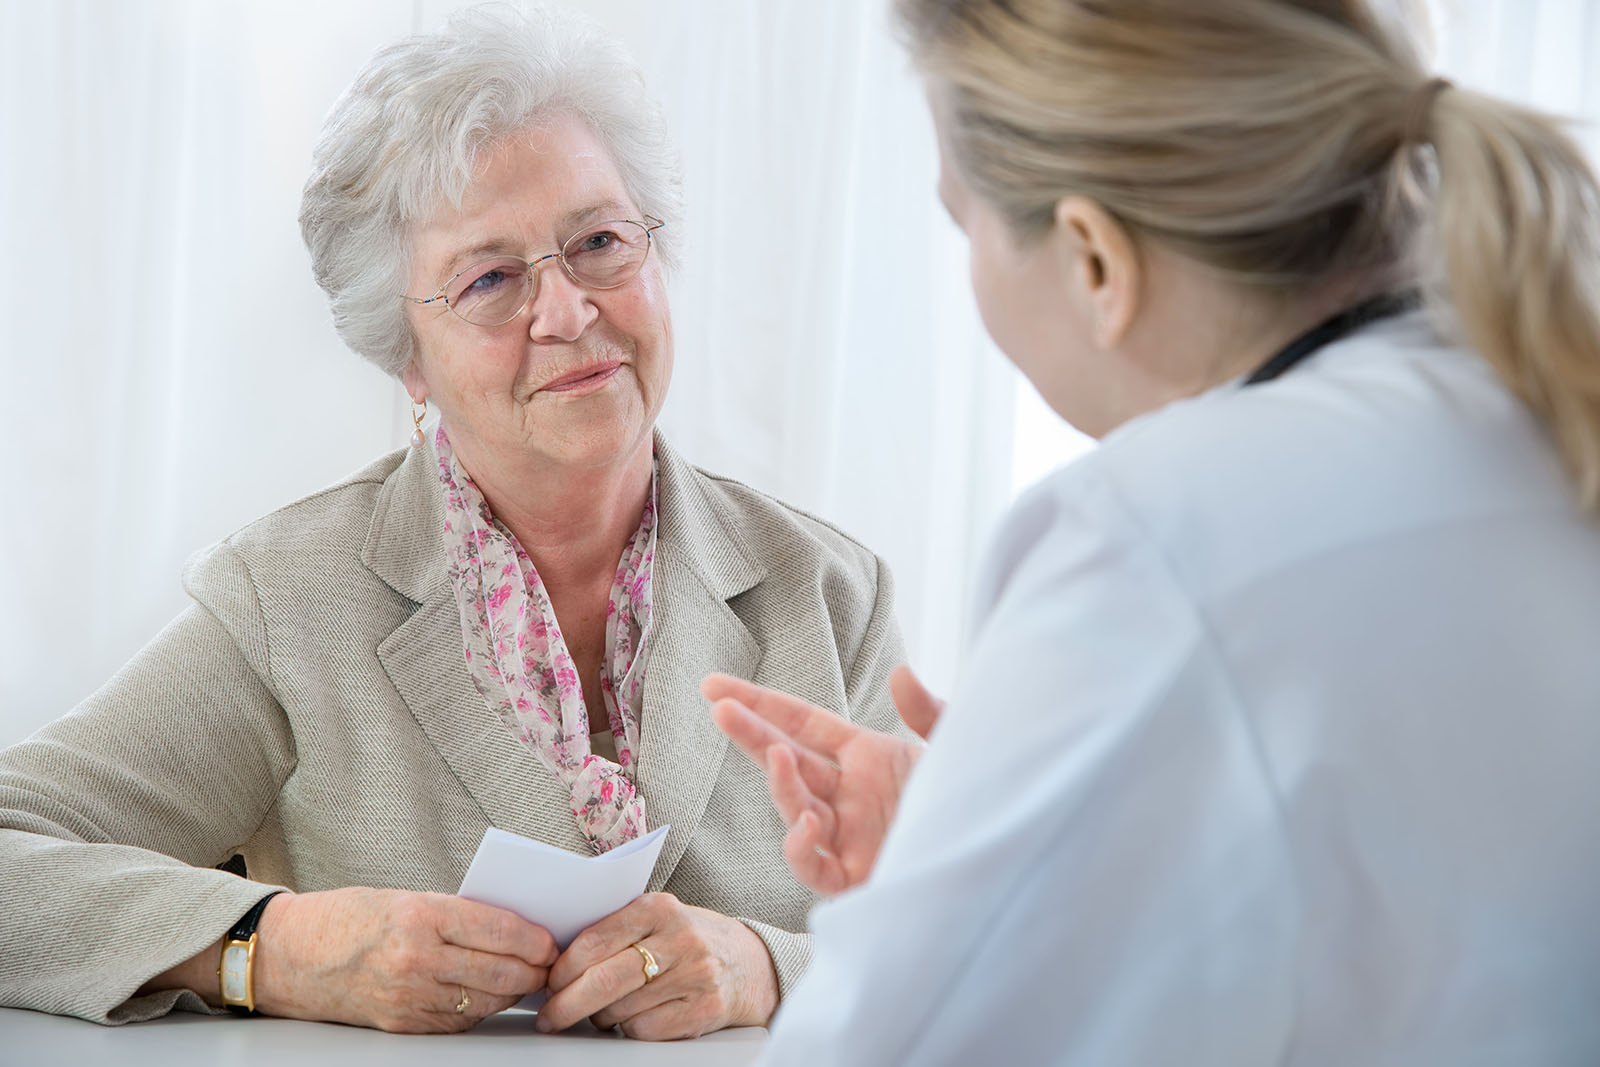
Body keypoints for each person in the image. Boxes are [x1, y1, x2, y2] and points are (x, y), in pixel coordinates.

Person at [707, 0, 1600, 1062]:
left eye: (964, 223)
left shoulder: (1159, 536)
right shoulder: (1534, 396)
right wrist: (1016, 863)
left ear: (1092, 257)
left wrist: (977, 893)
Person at [0, 5, 908, 1039]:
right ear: (409, 361)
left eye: (599, 241)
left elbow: (963, 922)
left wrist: (772, 965)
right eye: (489, 279)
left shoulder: (831, 591)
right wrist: (273, 949)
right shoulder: (291, 596)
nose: (567, 312)